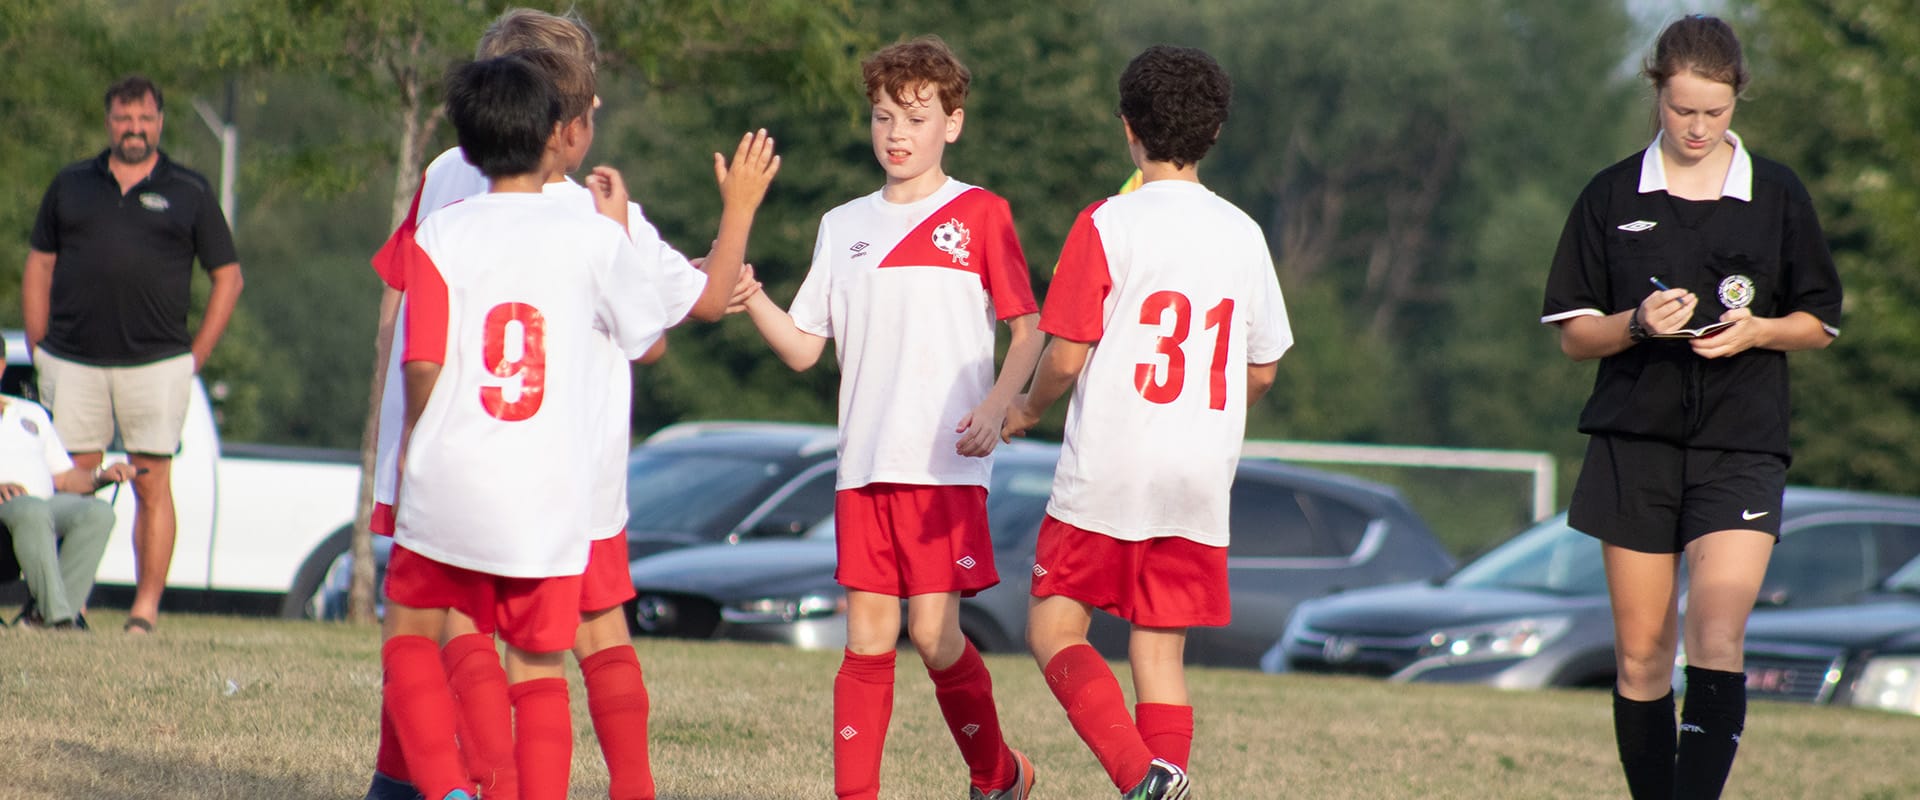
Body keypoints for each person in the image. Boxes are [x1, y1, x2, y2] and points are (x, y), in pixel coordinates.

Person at [361, 9, 768, 800]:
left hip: (449, 458)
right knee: (575, 642)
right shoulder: (593, 219)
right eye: (589, 103)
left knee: (441, 628)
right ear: (565, 126)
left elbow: (403, 312)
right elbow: (681, 319)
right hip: (563, 474)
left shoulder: (447, 178)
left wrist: (399, 437)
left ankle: (421, 783)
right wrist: (737, 209)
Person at [1538, 15, 1842, 800]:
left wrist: (1759, 331)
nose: (1698, 126)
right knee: (1642, 654)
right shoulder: (1610, 194)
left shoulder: (1776, 193)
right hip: (1633, 444)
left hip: (1740, 445)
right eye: (1682, 111)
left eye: (1715, 111)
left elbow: (1819, 322)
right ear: (1657, 96)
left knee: (1717, 629)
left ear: (1736, 99)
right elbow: (1574, 336)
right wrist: (1636, 325)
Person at [735, 35, 1041, 800]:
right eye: (882, 117)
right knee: (867, 639)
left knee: (936, 637)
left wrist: (999, 406)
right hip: (863, 465)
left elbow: (1028, 329)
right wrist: (753, 298)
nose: (896, 134)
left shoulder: (980, 214)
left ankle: (998, 774)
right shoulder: (843, 226)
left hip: (944, 464)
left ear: (953, 123)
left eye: (915, 116)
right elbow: (806, 349)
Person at [1000, 45, 1291, 800]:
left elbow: (1065, 358)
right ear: (1216, 132)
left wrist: (1026, 408)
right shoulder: (1244, 233)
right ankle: (1163, 782)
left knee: (1053, 632)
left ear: (1127, 127)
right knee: (1158, 655)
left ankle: (1141, 777)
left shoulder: (1108, 221)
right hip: (1198, 478)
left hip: (1112, 466)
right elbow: (1261, 370)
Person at [22, 74, 245, 635]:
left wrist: (195, 356)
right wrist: (37, 342)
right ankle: (67, 601)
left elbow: (229, 277)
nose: (134, 130)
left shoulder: (188, 189)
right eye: (124, 119)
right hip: (72, 359)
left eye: (144, 119)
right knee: (73, 478)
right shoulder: (71, 185)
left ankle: (144, 609)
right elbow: (40, 264)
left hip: (157, 362)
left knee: (151, 484)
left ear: (160, 122)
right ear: (109, 123)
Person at [0, 337, 139, 631]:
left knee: (97, 513)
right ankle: (60, 619)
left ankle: (40, 619)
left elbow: (63, 477)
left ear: (1, 366)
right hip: (12, 510)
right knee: (30, 509)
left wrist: (101, 475)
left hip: (40, 506)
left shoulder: (30, 413)